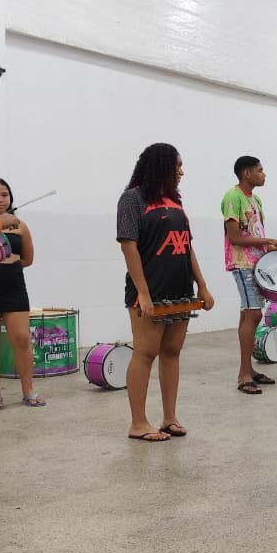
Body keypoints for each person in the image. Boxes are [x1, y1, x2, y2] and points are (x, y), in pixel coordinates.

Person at [117, 144, 215, 442]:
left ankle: (169, 418)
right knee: (145, 353)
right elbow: (129, 247)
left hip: (180, 290)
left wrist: (202, 285)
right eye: (177, 165)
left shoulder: (175, 201)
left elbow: (186, 246)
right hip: (150, 291)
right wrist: (143, 293)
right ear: (160, 166)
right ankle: (138, 423)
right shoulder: (132, 199)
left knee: (172, 353)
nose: (181, 171)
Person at [222, 156, 277, 395]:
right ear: (246, 173)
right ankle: (243, 374)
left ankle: (248, 369)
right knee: (253, 314)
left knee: (248, 315)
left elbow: (255, 235)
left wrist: (276, 249)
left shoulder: (255, 199)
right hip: (242, 263)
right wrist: (270, 240)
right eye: (260, 170)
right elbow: (234, 237)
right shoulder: (233, 197)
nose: (264, 174)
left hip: (256, 263)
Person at [0, 177, 44, 408]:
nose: (0, 199)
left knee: (22, 339)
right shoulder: (6, 222)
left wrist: (8, 265)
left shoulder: (20, 225)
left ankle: (29, 391)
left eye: (4, 195)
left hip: (13, 286)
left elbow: (27, 259)